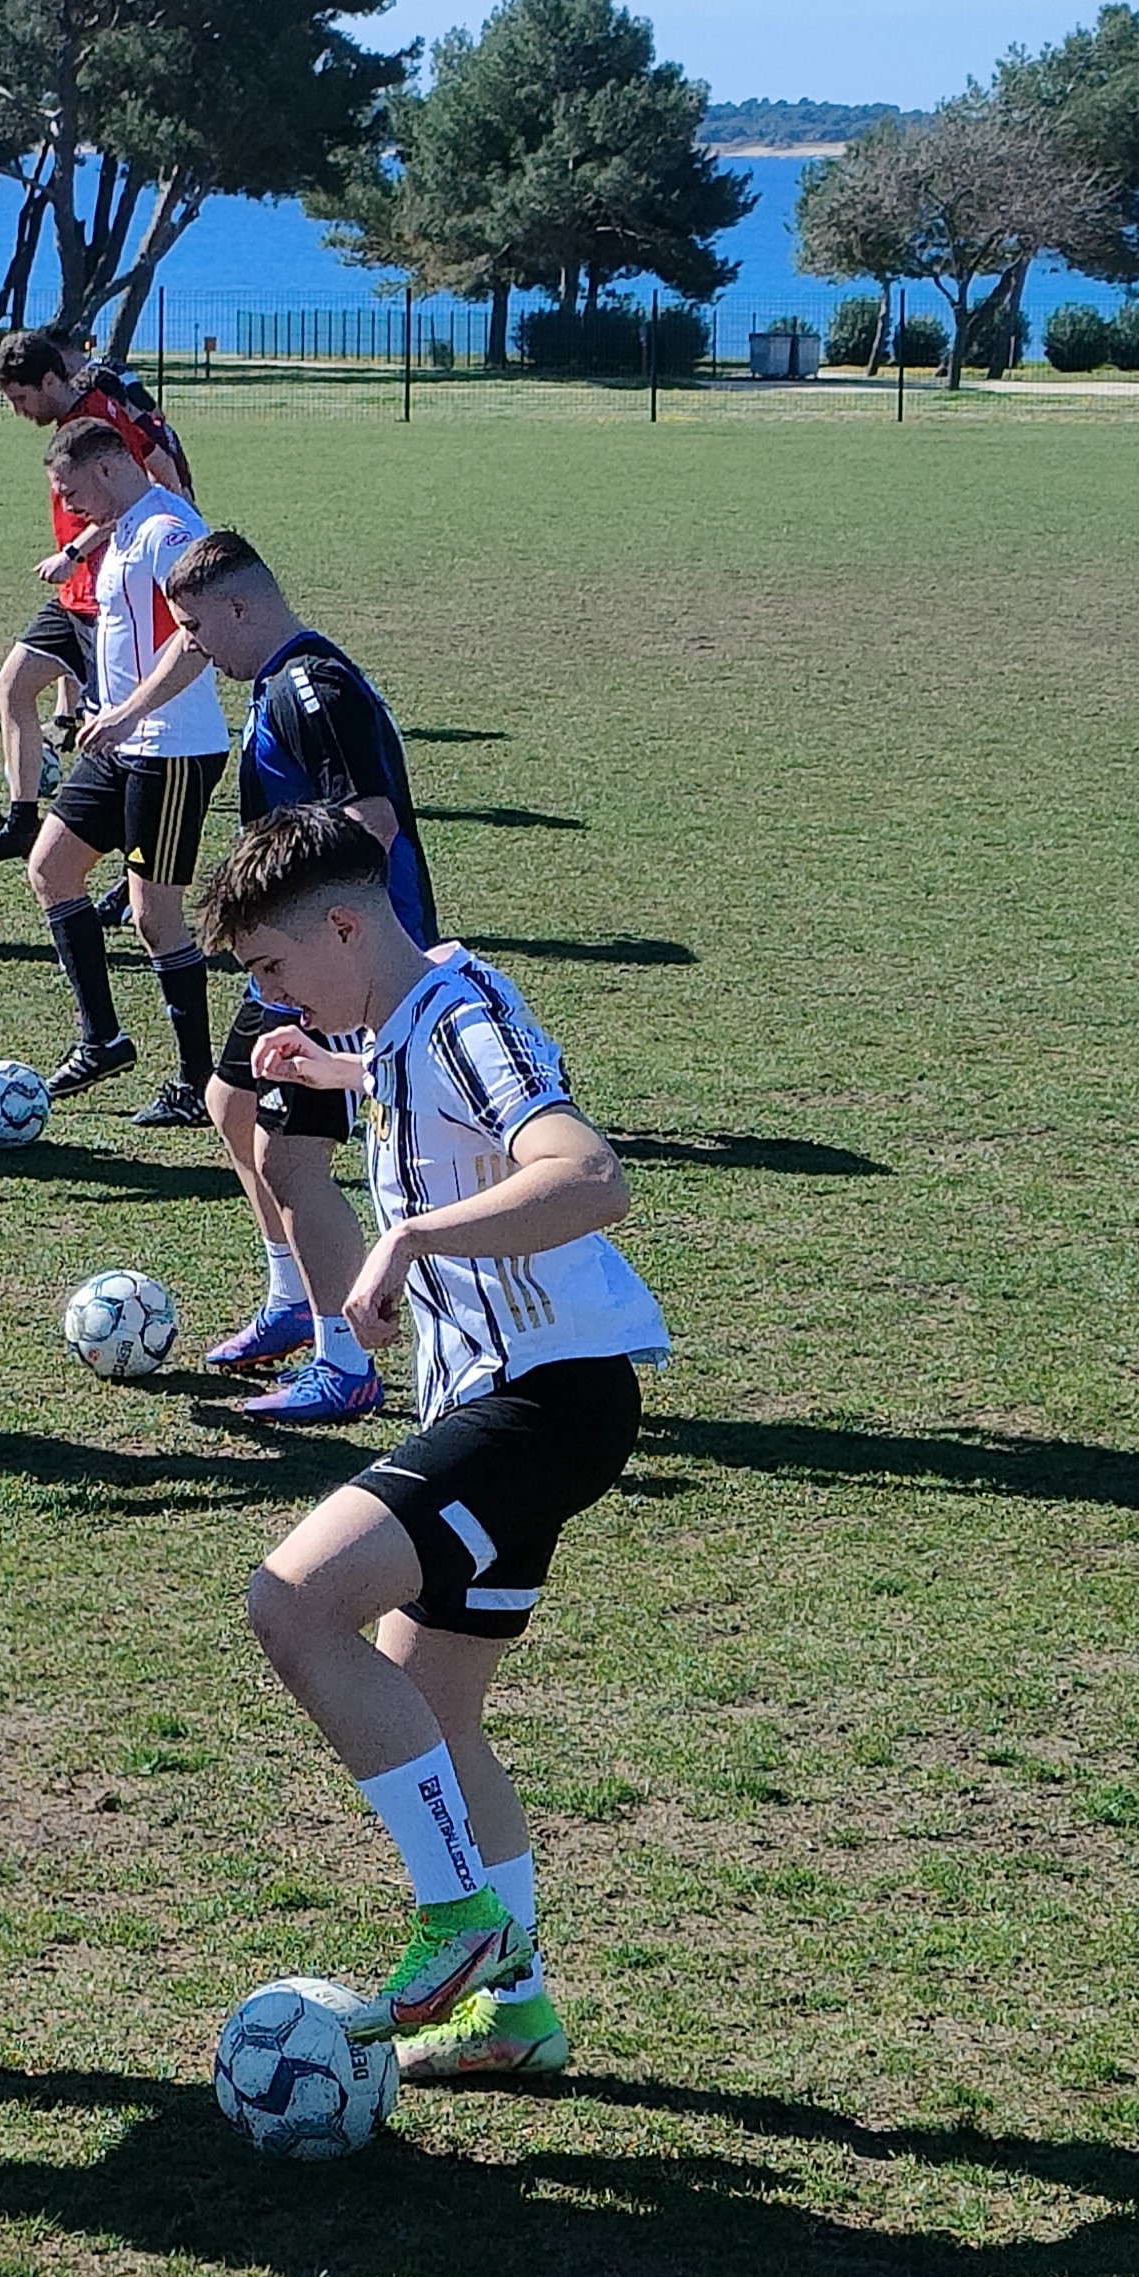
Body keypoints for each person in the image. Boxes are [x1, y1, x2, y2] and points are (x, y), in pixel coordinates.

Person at [192, 805, 669, 2085]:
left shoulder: (459, 1018)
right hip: (510, 1405)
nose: (270, 995)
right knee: (434, 1708)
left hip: (542, 1402)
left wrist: (411, 1236)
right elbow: (427, 1089)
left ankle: (459, 1919)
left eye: (274, 967)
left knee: (292, 1600)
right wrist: (335, 1071)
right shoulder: (408, 1023)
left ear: (346, 925)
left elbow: (589, 1175)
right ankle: (514, 2012)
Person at [79, 525, 432, 1422]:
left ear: (240, 606)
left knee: (292, 1157)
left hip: (336, 965)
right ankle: (292, 1298)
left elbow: (370, 824)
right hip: (289, 958)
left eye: (196, 627)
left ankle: (345, 1362)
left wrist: (308, 948)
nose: (192, 647)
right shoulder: (279, 682)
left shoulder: (311, 689)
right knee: (229, 1102)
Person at [27, 415, 229, 1123]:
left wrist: (125, 712)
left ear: (109, 468)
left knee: (154, 918)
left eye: (70, 490)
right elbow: (110, 540)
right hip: (120, 745)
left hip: (170, 750)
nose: (67, 504)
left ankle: (197, 1085)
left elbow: (196, 641)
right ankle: (102, 1040)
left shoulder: (168, 534)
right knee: (51, 869)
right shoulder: (124, 523)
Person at [0, 328, 195, 871]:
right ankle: (22, 823)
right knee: (14, 684)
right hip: (77, 593)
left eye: (21, 398)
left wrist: (74, 550)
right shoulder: (80, 415)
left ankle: (138, 868)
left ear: (48, 381)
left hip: (106, 596)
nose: (18, 411)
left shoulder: (94, 424)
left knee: (119, 736)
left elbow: (139, 495)